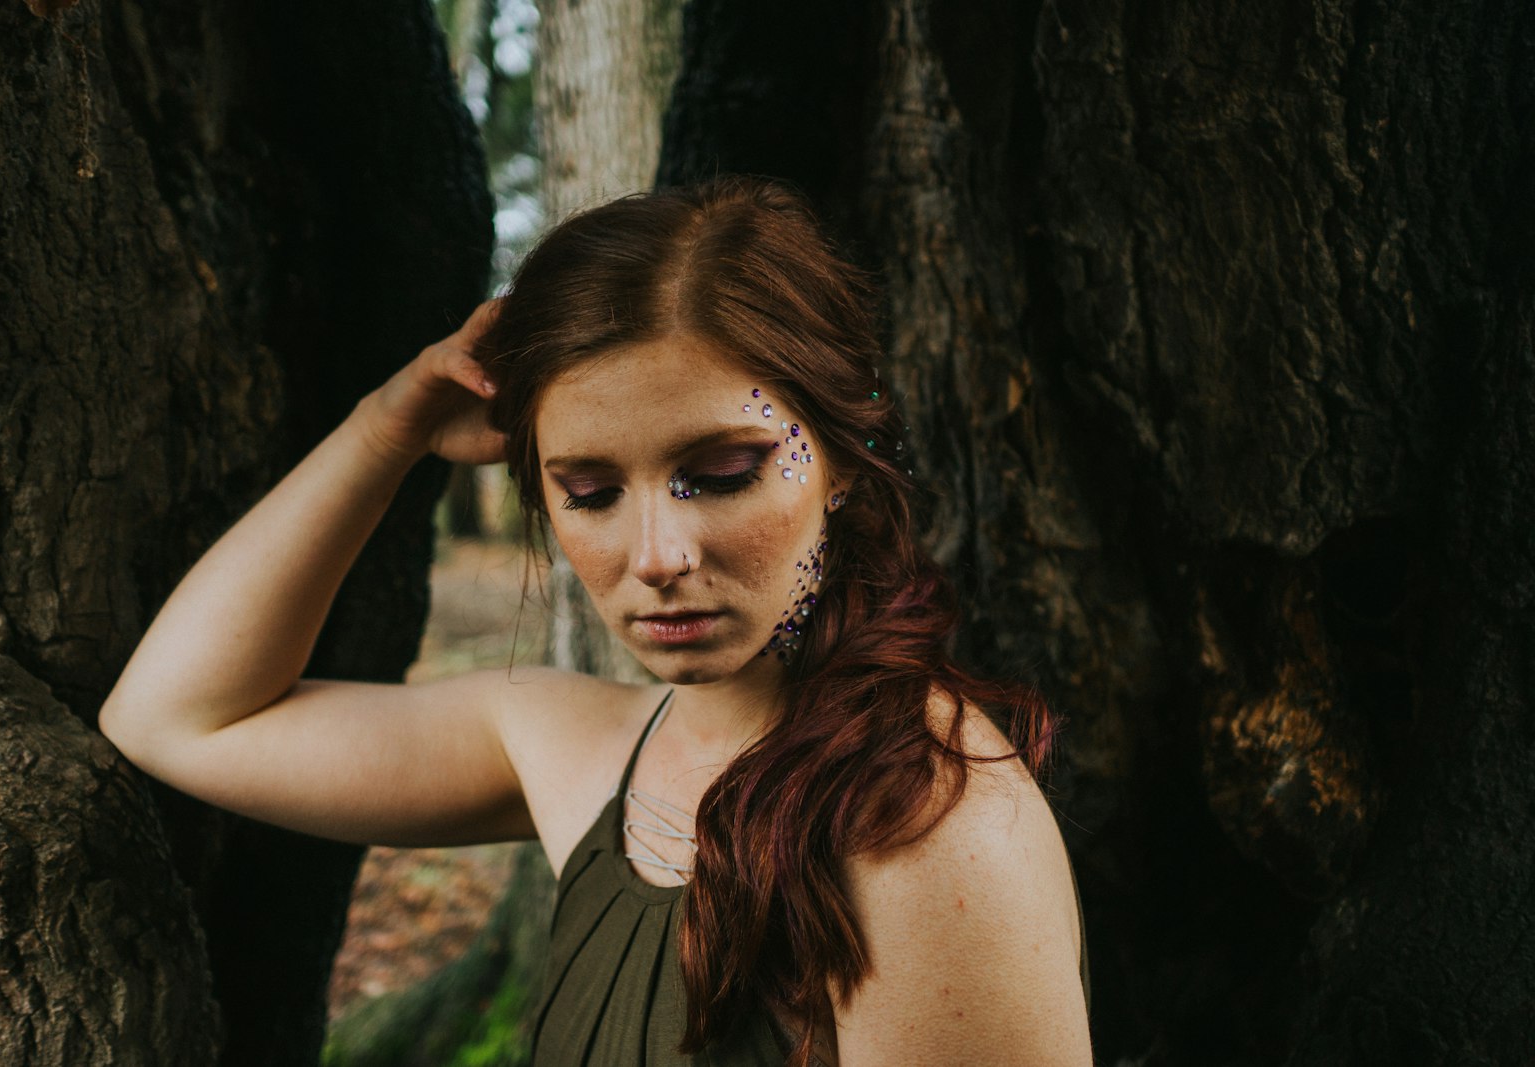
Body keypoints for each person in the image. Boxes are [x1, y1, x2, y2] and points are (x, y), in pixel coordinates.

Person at [100, 177, 1093, 1066]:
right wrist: (385, 428)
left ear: (838, 454)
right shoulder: (572, 748)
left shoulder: (930, 826)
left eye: (720, 474)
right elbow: (177, 716)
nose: (657, 554)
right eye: (589, 490)